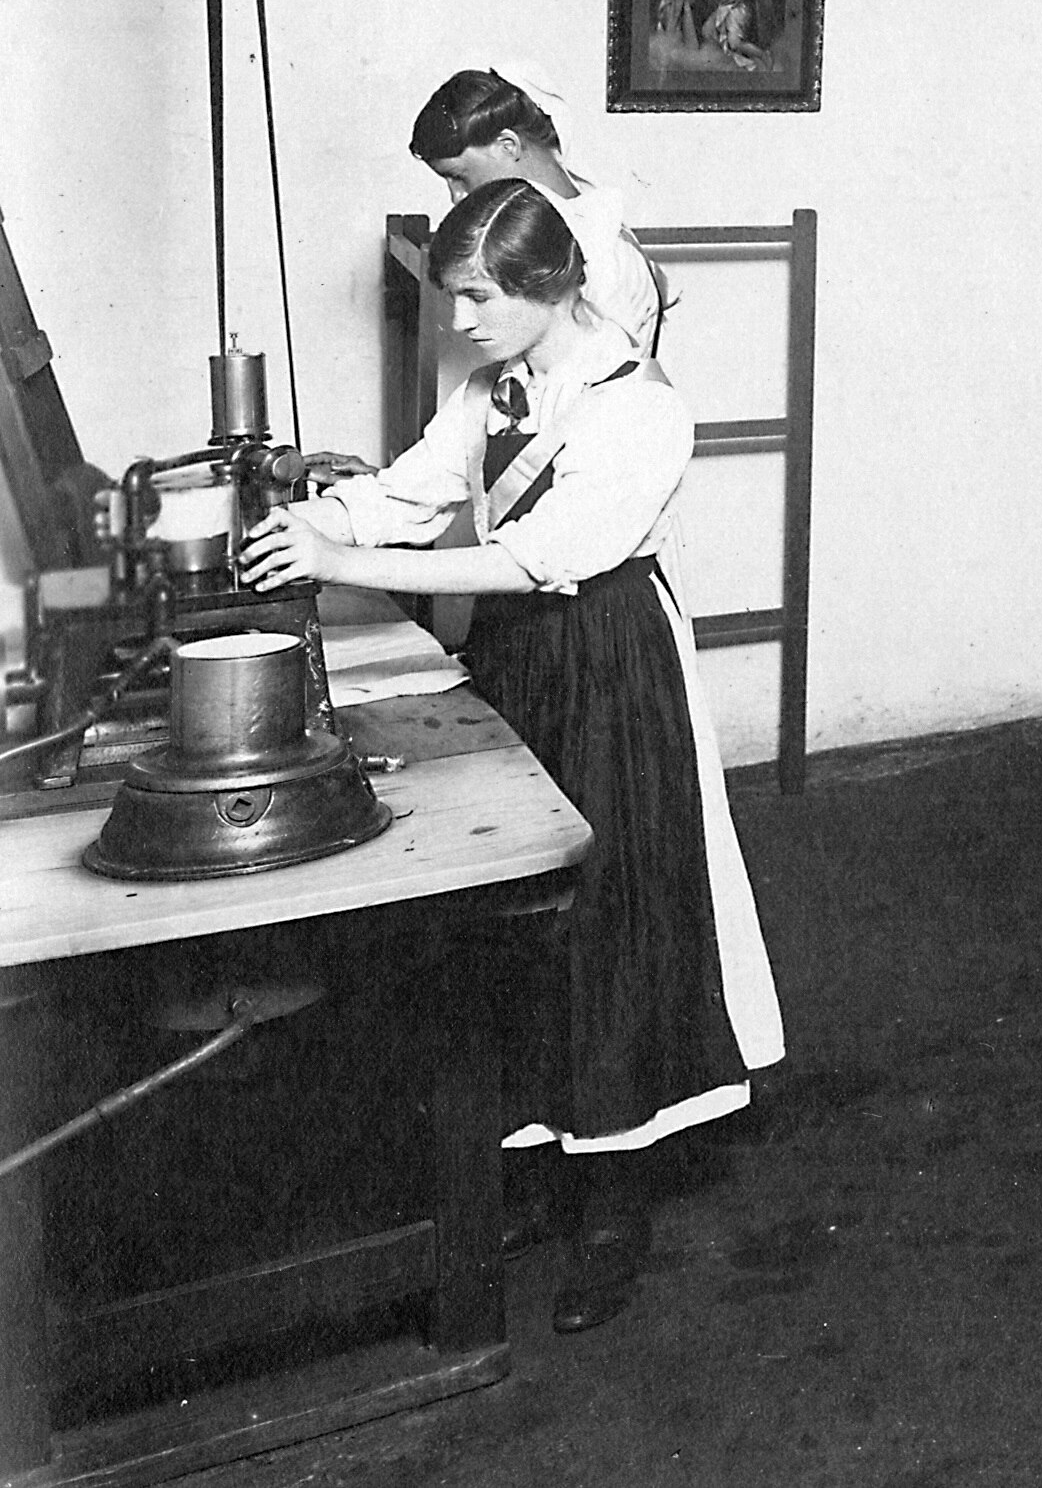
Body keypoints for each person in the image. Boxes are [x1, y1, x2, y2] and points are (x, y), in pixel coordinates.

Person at [238, 181, 782, 1335]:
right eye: (454, 299)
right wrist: (320, 519)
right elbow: (420, 489)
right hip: (521, 664)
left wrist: (346, 559)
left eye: (478, 298)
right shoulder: (498, 384)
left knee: (607, 912)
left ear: (551, 286)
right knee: (517, 916)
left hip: (607, 666)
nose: (460, 323)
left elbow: (541, 559)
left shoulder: (641, 411)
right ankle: (535, 1161)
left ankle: (612, 1207)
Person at [410, 68, 664, 360]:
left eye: (459, 176)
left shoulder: (607, 255)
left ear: (508, 146)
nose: (456, 197)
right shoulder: (546, 227)